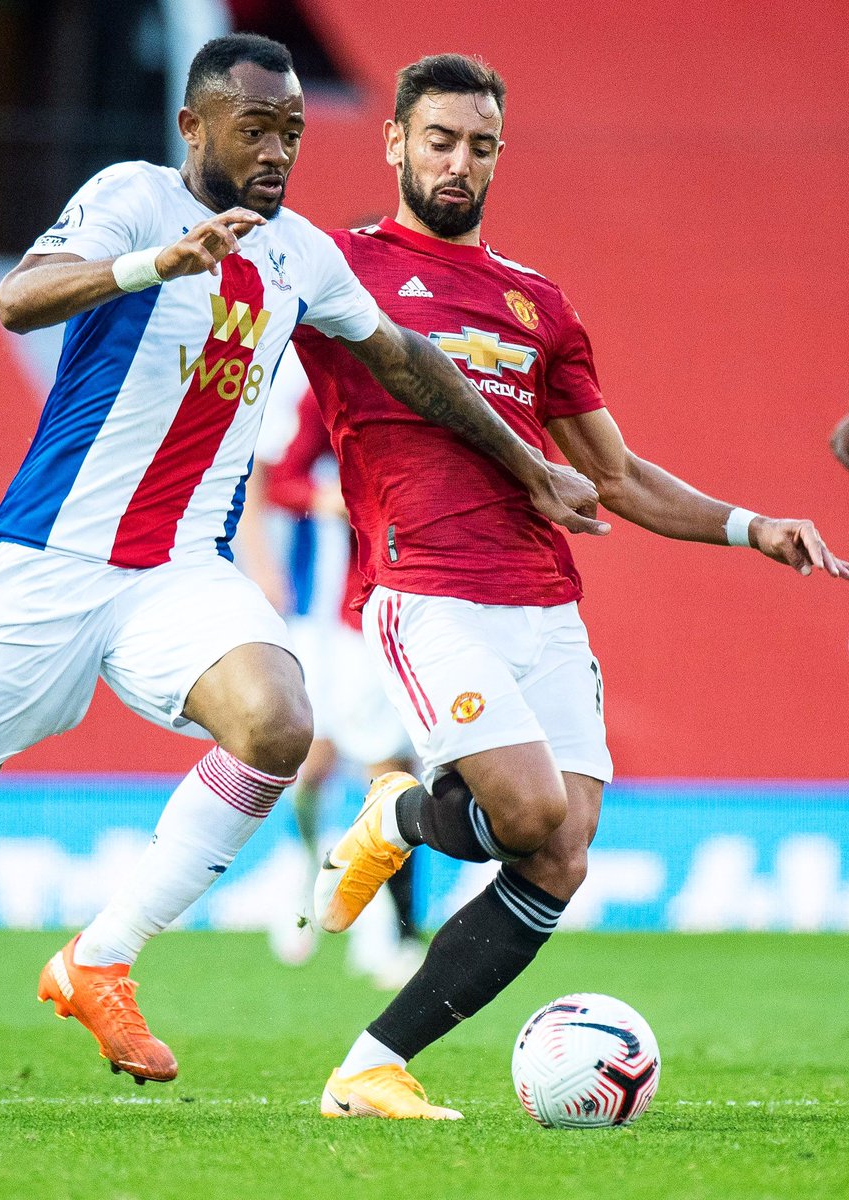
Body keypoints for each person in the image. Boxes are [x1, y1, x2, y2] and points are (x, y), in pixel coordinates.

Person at [0, 33, 605, 1116]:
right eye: (255, 129)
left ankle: (102, 958)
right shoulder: (131, 196)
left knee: (275, 722)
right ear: (193, 128)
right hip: (48, 563)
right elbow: (21, 300)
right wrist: (154, 265)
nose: (276, 152)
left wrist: (530, 463)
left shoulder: (304, 253)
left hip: (179, 571)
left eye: (293, 133)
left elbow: (406, 358)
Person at [291, 53, 848, 1121]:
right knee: (524, 806)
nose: (460, 162)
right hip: (429, 589)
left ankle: (370, 1065)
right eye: (441, 140)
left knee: (560, 854)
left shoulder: (535, 303)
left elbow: (617, 475)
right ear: (396, 143)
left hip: (544, 600)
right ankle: (398, 816)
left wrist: (750, 526)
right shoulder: (341, 269)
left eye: (481, 145)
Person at [256, 374, 424, 984]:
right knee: (309, 766)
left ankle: (394, 927)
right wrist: (330, 500)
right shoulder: (323, 394)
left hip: (382, 615)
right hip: (316, 621)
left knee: (388, 772)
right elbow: (282, 482)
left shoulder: (424, 393)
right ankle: (305, 871)